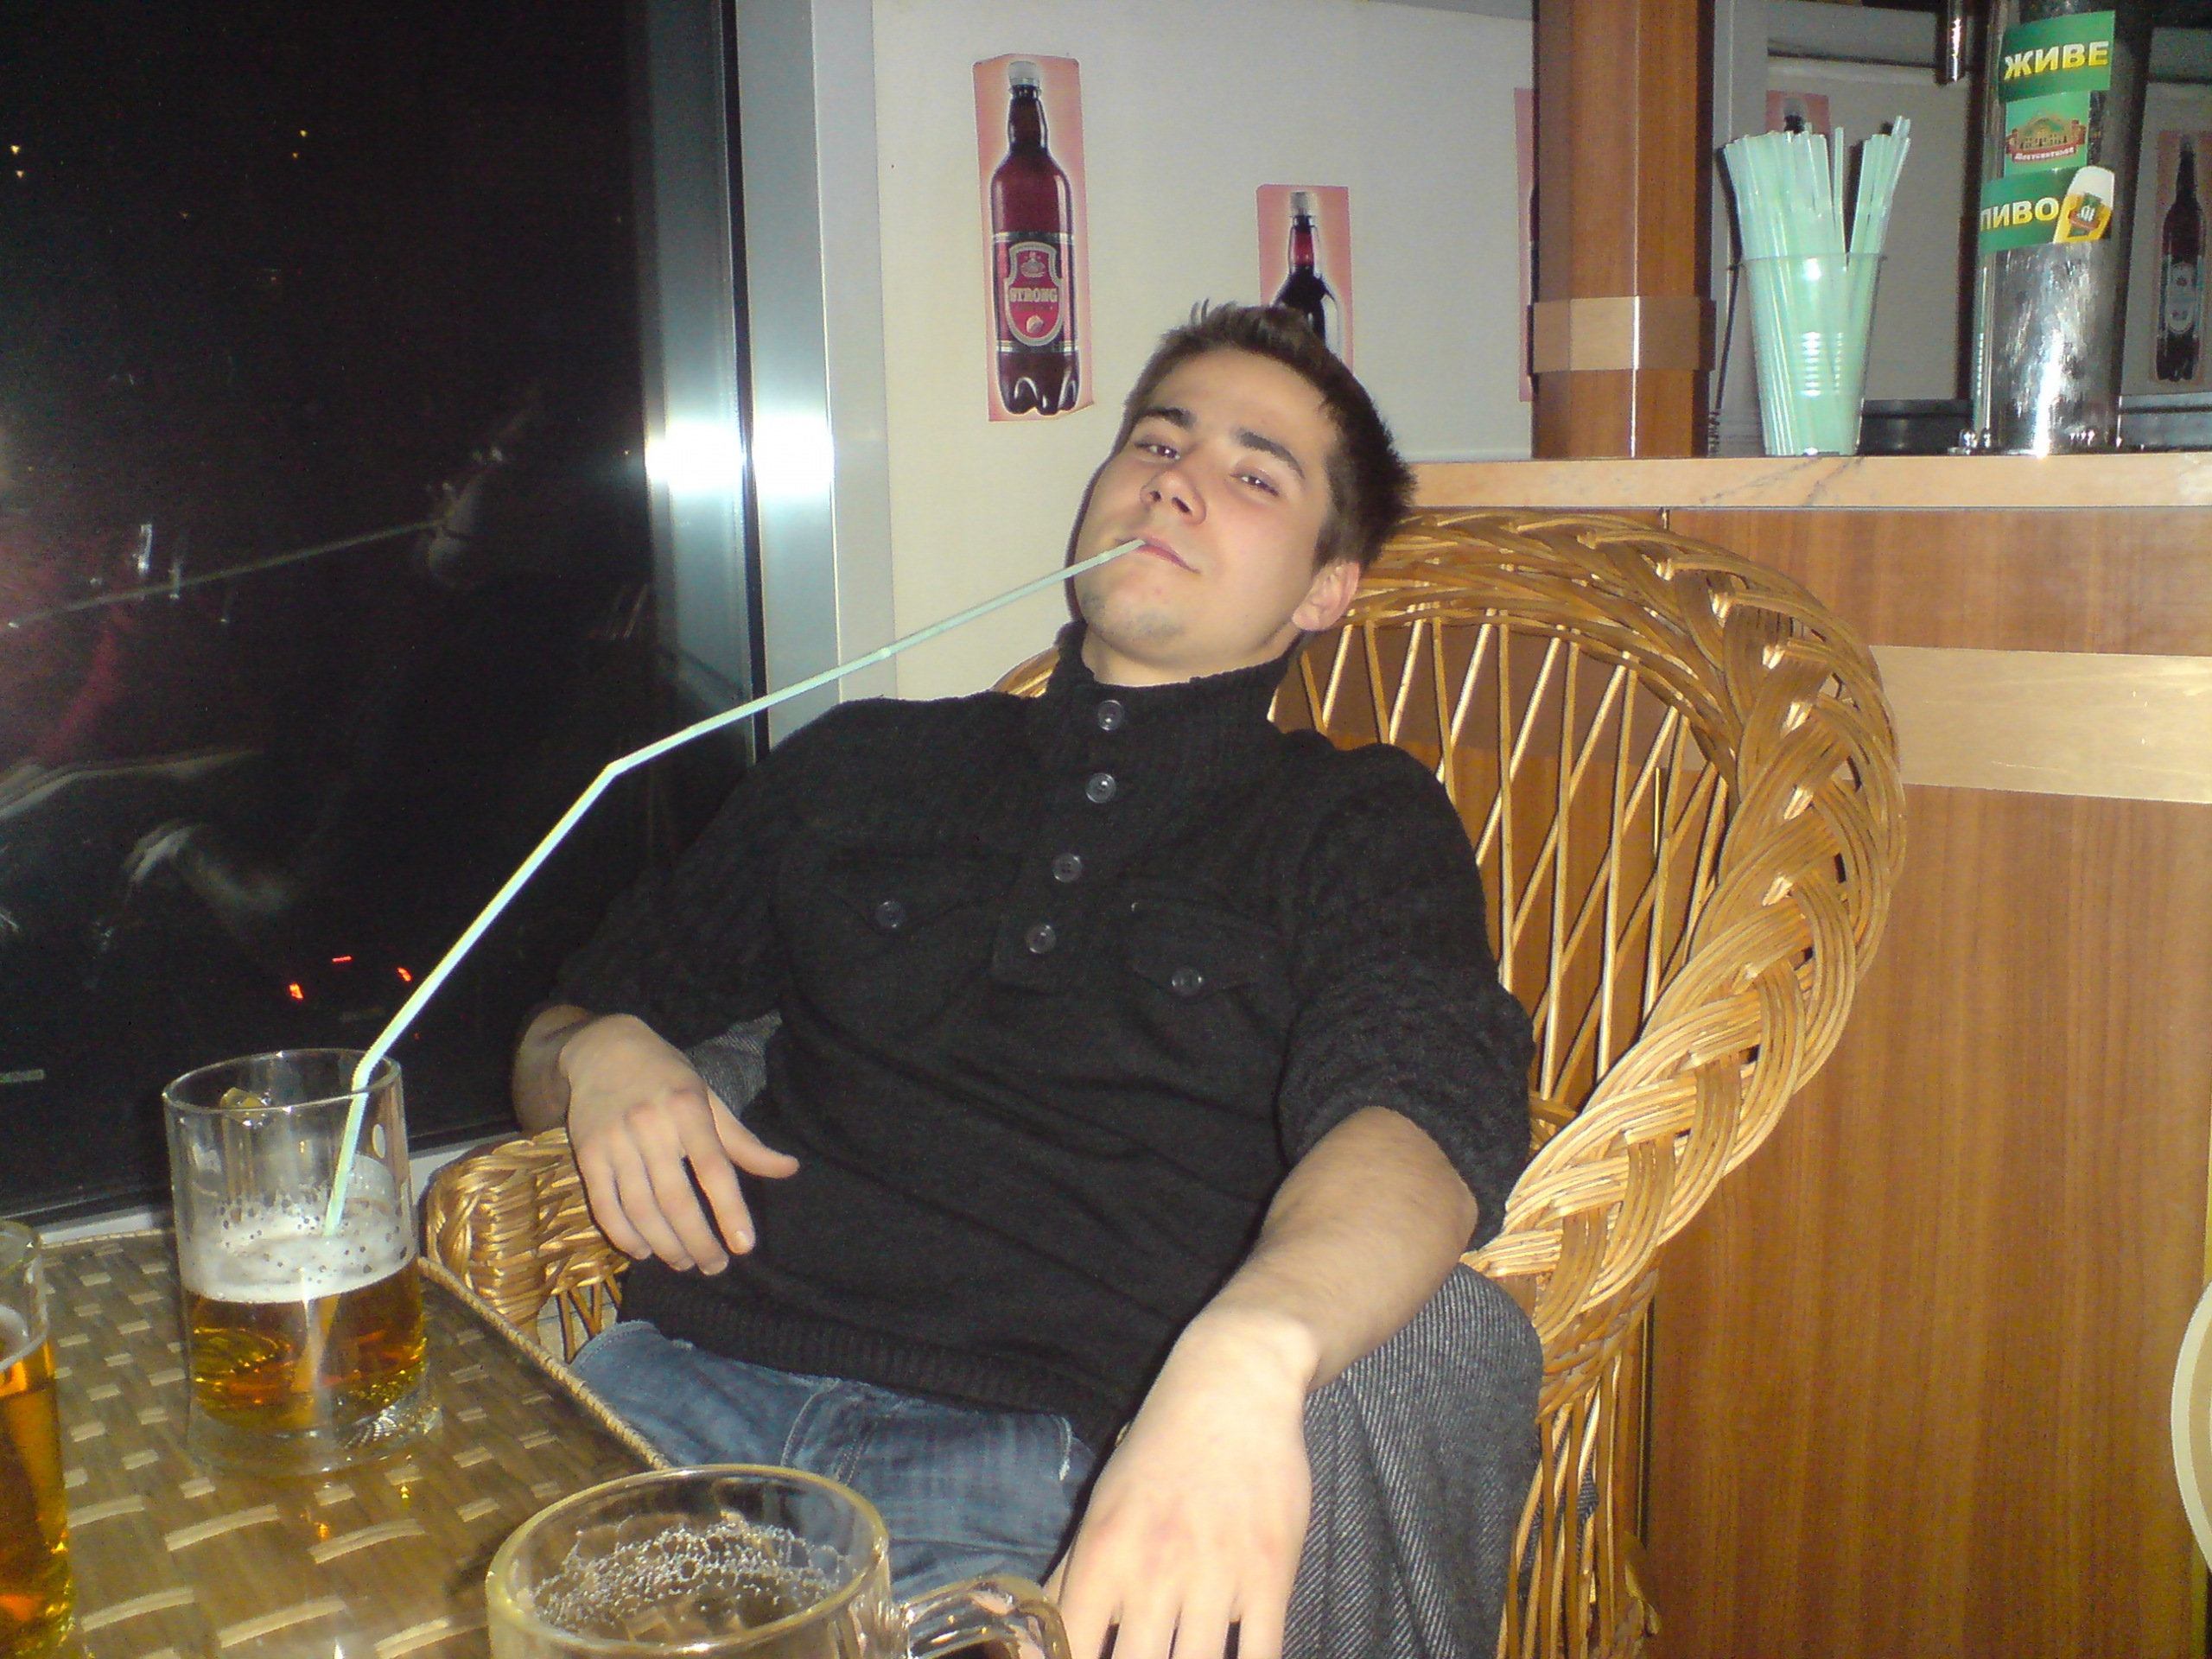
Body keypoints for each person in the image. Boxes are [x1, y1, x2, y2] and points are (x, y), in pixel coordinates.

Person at [512, 303, 1537, 1659]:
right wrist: (597, 1054)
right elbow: (558, 1028)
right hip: (671, 1399)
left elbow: (1427, 1118)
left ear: (1322, 591)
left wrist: (1252, 1352)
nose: (1175, 480)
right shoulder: (862, 763)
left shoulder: (1352, 818)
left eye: (1252, 474)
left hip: (1042, 1482)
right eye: (1157, 441)